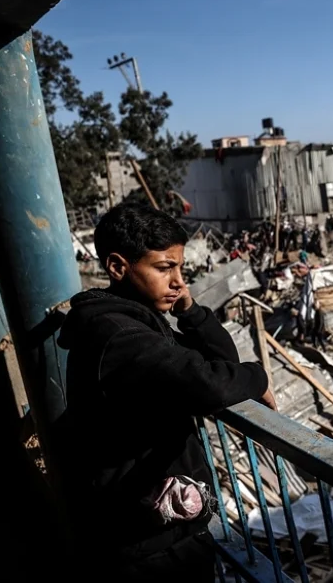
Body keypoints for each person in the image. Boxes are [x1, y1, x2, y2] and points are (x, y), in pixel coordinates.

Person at [57, 203, 275, 582]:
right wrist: (259, 378)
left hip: (156, 525)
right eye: (164, 268)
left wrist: (191, 312)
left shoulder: (137, 321)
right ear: (118, 267)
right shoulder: (121, 336)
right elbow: (208, 384)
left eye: (180, 268)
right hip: (148, 541)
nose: (178, 282)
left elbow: (221, 360)